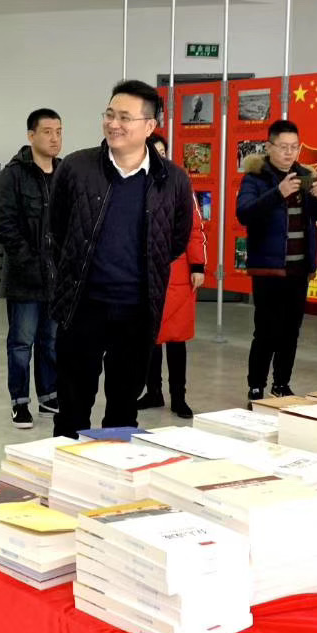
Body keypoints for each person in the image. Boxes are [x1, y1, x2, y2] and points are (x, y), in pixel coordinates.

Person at [49, 79, 192, 438]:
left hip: (137, 311)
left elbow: (174, 241)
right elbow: (57, 230)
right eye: (109, 114)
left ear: (149, 125)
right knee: (72, 409)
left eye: (125, 117)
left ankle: (114, 471)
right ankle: (67, 469)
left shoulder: (173, 180)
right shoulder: (77, 168)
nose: (113, 124)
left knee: (123, 411)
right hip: (82, 307)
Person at [236, 119, 317, 404]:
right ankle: (256, 387)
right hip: (268, 270)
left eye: (294, 147)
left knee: (290, 332)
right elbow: (244, 213)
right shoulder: (255, 178)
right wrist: (277, 193)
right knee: (266, 332)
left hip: (299, 269)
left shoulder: (306, 176)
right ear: (269, 147)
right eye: (283, 147)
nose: (288, 153)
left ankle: (281, 384)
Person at [0, 108, 63, 429]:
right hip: (25, 277)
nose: (54, 138)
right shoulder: (13, 175)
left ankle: (49, 395)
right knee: (21, 343)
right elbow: (3, 223)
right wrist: (29, 261)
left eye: (59, 131)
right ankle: (20, 402)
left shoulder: (64, 172)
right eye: (47, 132)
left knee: (51, 341)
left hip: (56, 277)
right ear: (31, 136)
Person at [136, 133, 206, 419]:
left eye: (163, 152)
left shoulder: (180, 183)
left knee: (176, 338)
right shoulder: (134, 184)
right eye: (155, 152)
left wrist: (198, 265)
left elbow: (195, 228)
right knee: (150, 338)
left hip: (177, 274)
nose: (159, 157)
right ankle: (153, 392)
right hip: (145, 273)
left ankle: (179, 396)